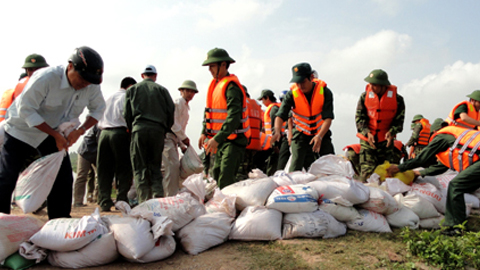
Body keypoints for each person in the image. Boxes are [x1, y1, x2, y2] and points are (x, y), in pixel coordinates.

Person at [0, 46, 105, 219]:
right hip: (21, 130)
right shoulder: (46, 78)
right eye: (82, 79)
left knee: (62, 178)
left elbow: (98, 110)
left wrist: (79, 131)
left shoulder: (90, 85)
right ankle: (1, 221)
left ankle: (59, 222)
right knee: (7, 176)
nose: (84, 84)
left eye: (89, 82)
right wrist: (56, 135)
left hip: (52, 132)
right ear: (70, 66)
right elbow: (26, 110)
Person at [386, 119, 475, 235]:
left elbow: (421, 158)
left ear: (434, 132)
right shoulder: (455, 137)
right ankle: (457, 224)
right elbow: (442, 167)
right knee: (459, 186)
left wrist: (400, 168)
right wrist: (419, 173)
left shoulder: (442, 136)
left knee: (456, 186)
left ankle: (455, 227)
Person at [198, 48, 250, 189]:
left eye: (212, 66)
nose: (210, 69)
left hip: (234, 140)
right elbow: (208, 112)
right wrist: (204, 132)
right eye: (209, 66)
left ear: (223, 65)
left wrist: (217, 138)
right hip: (221, 140)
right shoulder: (214, 85)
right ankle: (222, 205)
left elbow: (234, 117)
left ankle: (230, 208)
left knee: (226, 176)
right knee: (216, 173)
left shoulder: (231, 87)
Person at [124, 65, 174, 203]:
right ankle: (157, 201)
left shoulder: (132, 90)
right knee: (155, 168)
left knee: (140, 169)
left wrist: (133, 129)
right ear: (155, 76)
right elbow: (171, 113)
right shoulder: (162, 90)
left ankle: (144, 202)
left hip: (138, 130)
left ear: (142, 75)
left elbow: (126, 114)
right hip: (157, 131)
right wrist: (163, 130)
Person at [272, 63, 335, 172]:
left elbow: (328, 118)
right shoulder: (292, 94)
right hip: (301, 133)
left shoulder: (325, 92)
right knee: (296, 164)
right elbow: (280, 115)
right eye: (297, 82)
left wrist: (319, 136)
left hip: (321, 133)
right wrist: (277, 131)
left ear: (311, 77)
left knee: (330, 163)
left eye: (303, 82)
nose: (300, 86)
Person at [355, 69, 405, 182]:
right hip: (368, 142)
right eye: (370, 84)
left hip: (386, 144)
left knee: (387, 176)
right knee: (367, 176)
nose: (371, 87)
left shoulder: (398, 100)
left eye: (374, 84)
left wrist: (391, 132)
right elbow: (359, 119)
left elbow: (399, 123)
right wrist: (367, 132)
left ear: (383, 85)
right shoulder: (364, 97)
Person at [97, 77, 137, 211]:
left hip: (103, 134)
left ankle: (104, 201)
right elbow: (128, 116)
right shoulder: (127, 97)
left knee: (104, 170)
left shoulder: (108, 96)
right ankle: (121, 199)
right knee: (124, 168)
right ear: (130, 86)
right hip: (120, 133)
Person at [162, 79, 198, 196]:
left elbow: (180, 127)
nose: (190, 94)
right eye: (187, 90)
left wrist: (182, 144)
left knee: (174, 168)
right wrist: (184, 138)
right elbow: (173, 123)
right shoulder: (178, 103)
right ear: (181, 91)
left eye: (192, 92)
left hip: (175, 138)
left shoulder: (186, 107)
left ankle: (171, 195)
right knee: (171, 168)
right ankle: (169, 197)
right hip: (168, 136)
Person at [258, 89, 287, 175]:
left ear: (267, 98)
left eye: (262, 99)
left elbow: (274, 127)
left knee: (273, 164)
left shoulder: (273, 108)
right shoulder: (275, 107)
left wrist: (275, 145)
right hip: (275, 141)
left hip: (276, 141)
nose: (262, 102)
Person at [73, 124, 100, 207]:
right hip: (85, 152)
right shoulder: (100, 125)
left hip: (96, 153)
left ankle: (97, 198)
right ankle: (78, 201)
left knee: (100, 176)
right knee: (81, 175)